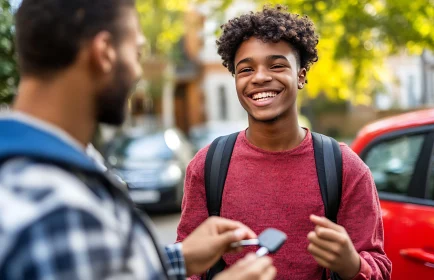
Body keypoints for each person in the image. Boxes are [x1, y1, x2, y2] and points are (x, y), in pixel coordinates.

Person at [0, 1, 276, 279]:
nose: (138, 72)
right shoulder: (61, 212)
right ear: (105, 52)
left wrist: (177, 258)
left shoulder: (45, 174)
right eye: (137, 52)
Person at [177, 5, 391, 280]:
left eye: (277, 65)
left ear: (301, 75)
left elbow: (380, 268)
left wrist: (352, 264)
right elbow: (186, 264)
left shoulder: (345, 168)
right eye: (246, 69)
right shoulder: (208, 165)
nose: (260, 77)